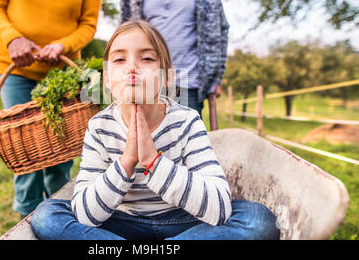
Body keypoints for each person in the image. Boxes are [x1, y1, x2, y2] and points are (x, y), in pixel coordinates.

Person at [30, 20, 279, 240]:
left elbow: (220, 206)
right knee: (46, 215)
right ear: (107, 79)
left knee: (257, 220)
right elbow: (85, 214)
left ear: (168, 77)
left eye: (147, 58)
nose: (132, 68)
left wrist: (152, 160)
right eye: (119, 59)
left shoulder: (186, 121)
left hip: (183, 221)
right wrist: (127, 161)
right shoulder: (99, 127)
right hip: (121, 222)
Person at [0, 0, 103, 218]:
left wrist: (63, 44)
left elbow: (88, 24)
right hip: (15, 67)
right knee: (27, 154)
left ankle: (60, 217)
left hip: (59, 73)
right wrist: (12, 38)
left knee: (60, 154)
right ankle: (26, 219)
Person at [120, 0, 229, 117]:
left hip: (189, 84)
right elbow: (123, 38)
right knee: (148, 142)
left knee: (189, 143)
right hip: (148, 84)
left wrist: (216, 76)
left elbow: (220, 28)